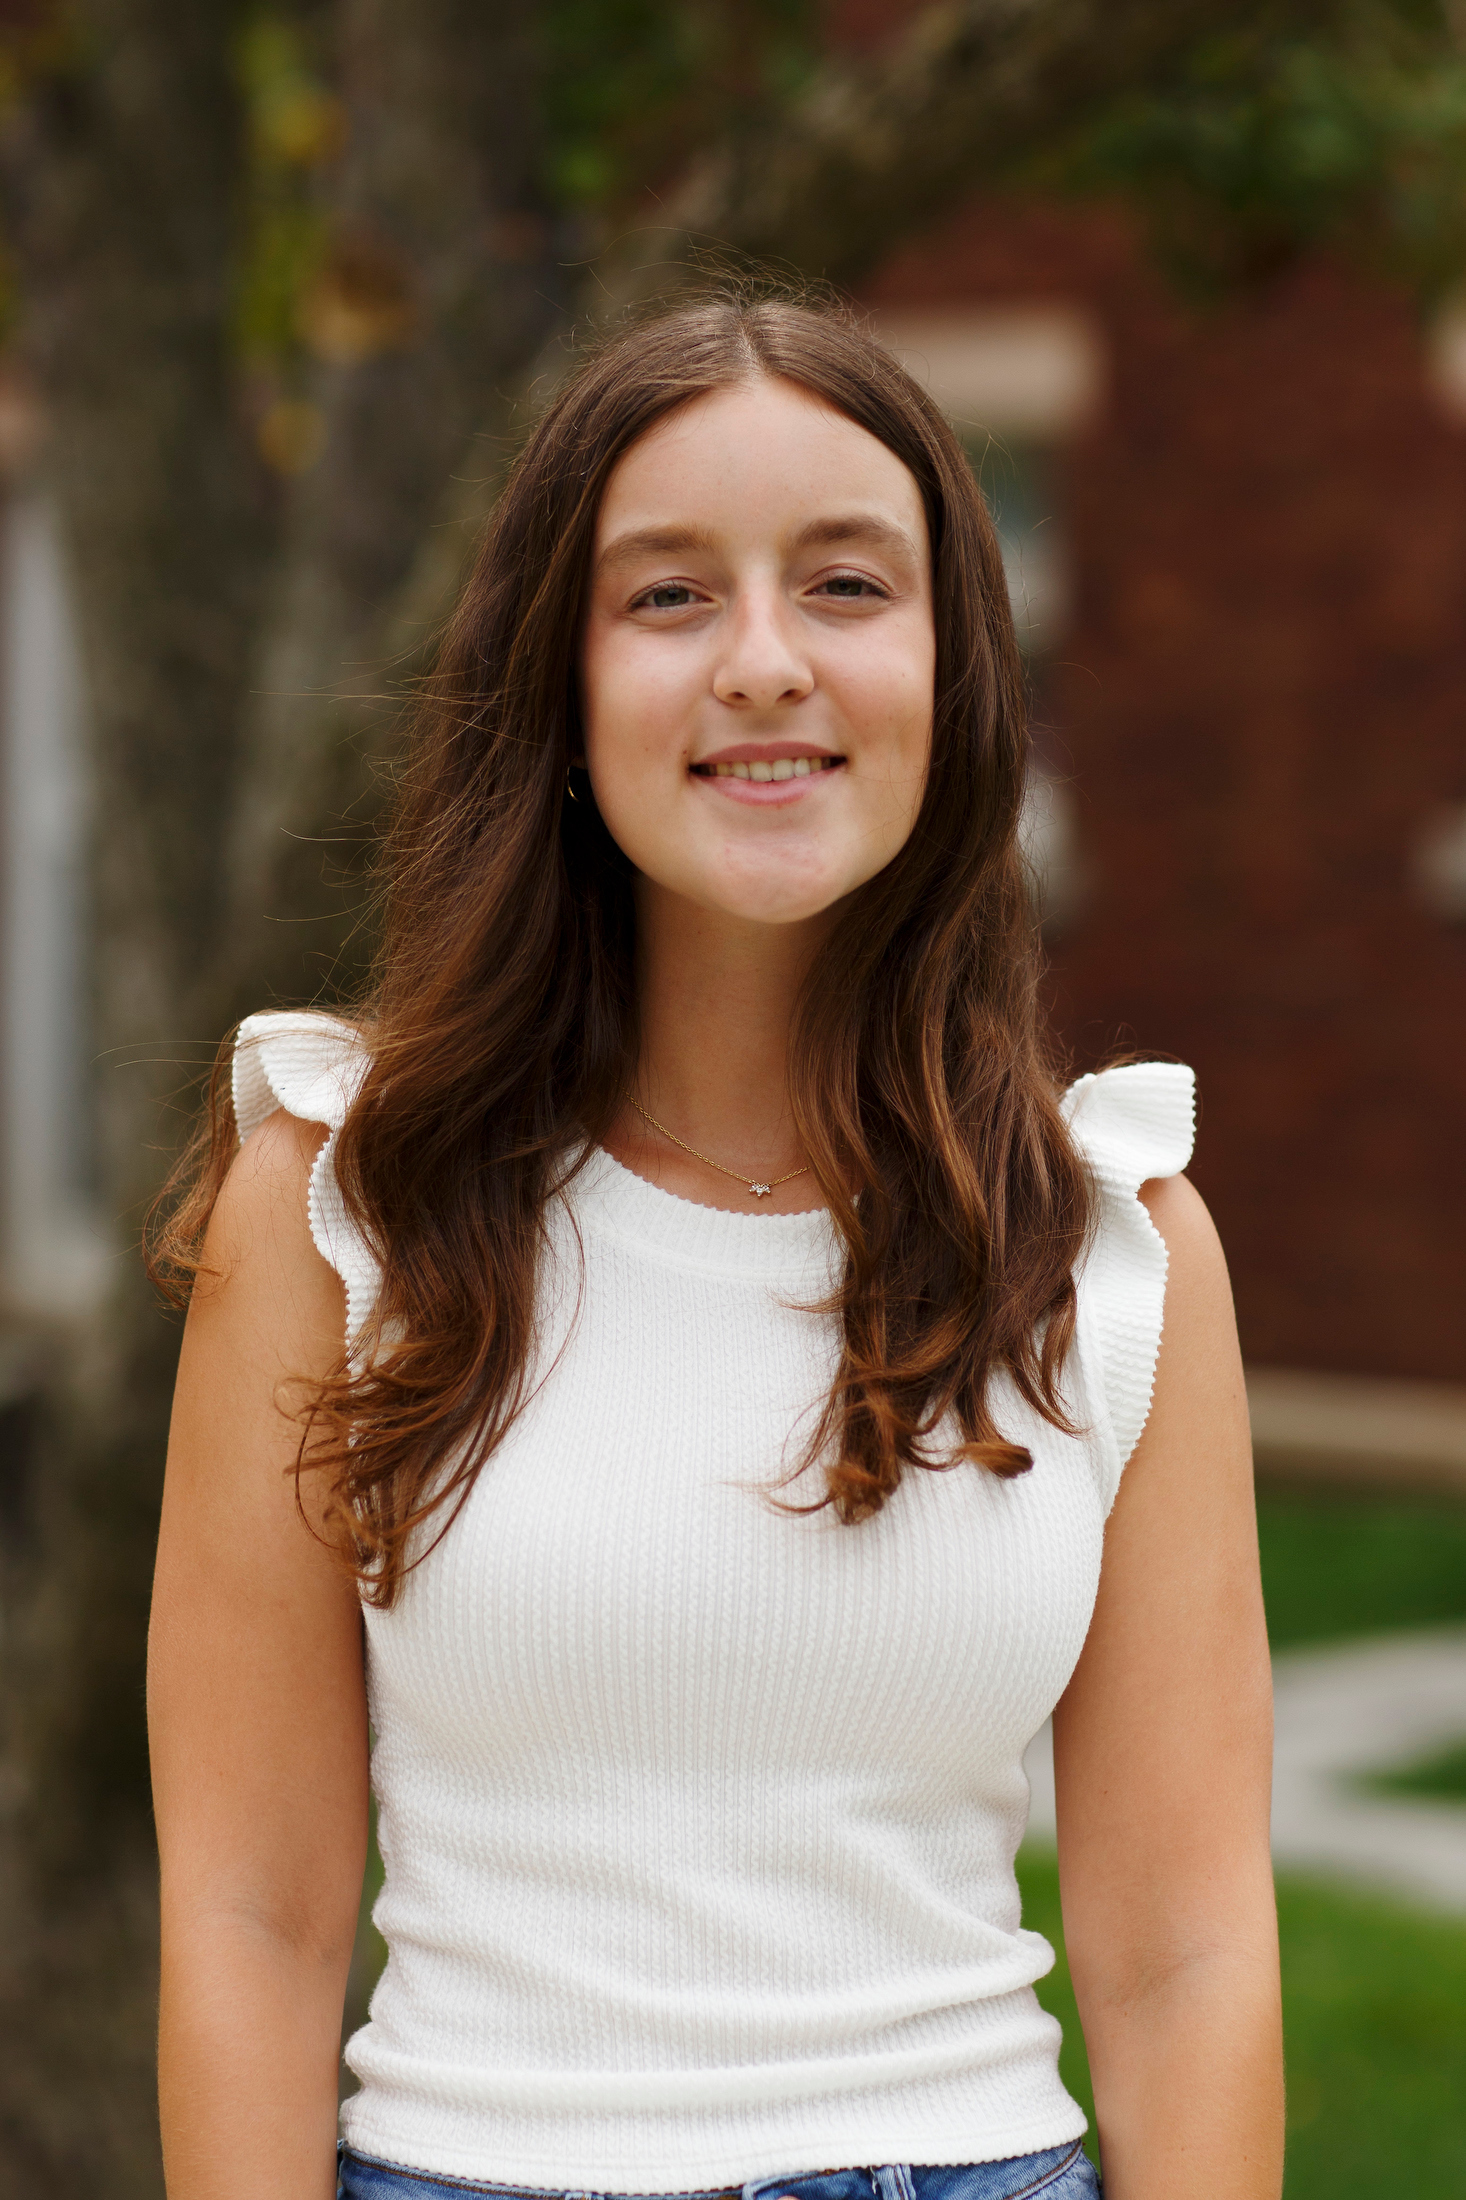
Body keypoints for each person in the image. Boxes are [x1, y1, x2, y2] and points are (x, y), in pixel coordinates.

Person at [147, 292, 1281, 2200]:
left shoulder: (1107, 1248)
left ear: (954, 670)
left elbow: (1185, 1957)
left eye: (845, 585)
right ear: (563, 690)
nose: (764, 662)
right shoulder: (350, 1207)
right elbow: (250, 1917)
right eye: (668, 596)